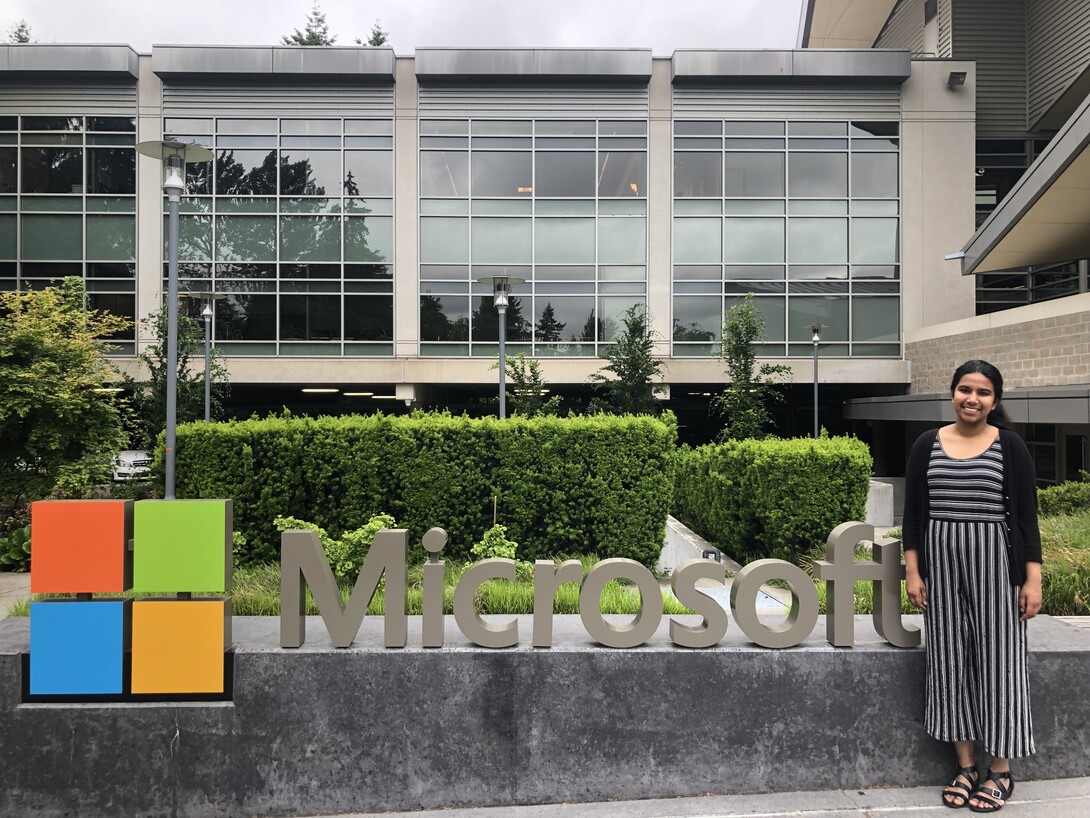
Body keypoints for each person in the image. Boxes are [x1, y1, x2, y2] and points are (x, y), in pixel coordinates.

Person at [902, 360, 1042, 813]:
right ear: (952, 392)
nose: (972, 399)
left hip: (996, 564)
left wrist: (1032, 579)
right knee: (949, 661)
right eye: (965, 389)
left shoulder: (1011, 447)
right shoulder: (927, 444)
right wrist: (913, 570)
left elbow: (1026, 517)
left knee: (1000, 663)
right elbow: (913, 517)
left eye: (983, 392)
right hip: (940, 564)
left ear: (994, 400)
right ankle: (964, 766)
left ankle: (999, 769)